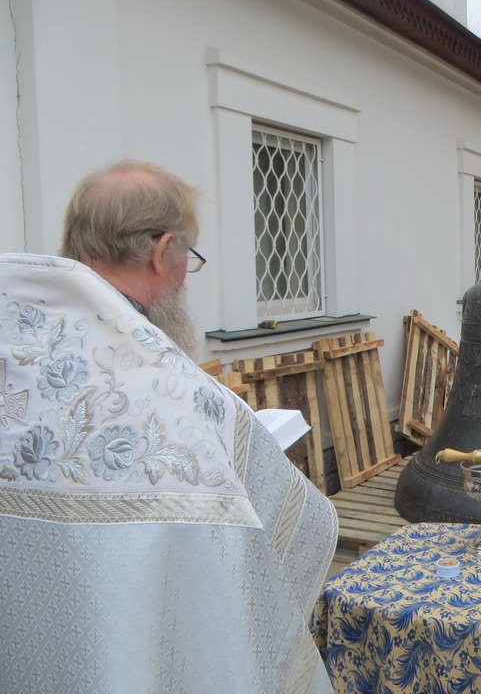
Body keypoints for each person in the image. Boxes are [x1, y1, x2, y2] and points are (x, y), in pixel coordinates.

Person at [0, 160, 338, 693]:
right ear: (163, 251)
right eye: (189, 256)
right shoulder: (175, 389)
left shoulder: (13, 346)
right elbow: (296, 528)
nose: (184, 271)